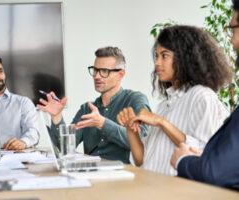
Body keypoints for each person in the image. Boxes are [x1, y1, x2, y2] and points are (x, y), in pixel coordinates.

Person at [117, 25, 233, 175]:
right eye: (156, 56)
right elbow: (142, 160)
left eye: (164, 56)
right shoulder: (164, 105)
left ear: (186, 58)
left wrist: (160, 121)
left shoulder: (202, 96)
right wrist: (130, 129)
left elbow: (202, 154)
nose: (157, 63)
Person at [37, 46, 151, 163]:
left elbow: (142, 140)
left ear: (121, 74)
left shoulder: (135, 100)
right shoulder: (87, 108)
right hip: (91, 172)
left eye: (104, 71)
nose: (97, 76)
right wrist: (57, 117)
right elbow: (64, 148)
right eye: (95, 70)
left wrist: (103, 124)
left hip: (123, 174)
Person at [170, 0, 239, 189]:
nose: (231, 41)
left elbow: (216, 172)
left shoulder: (204, 98)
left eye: (233, 29)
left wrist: (183, 159)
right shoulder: (165, 102)